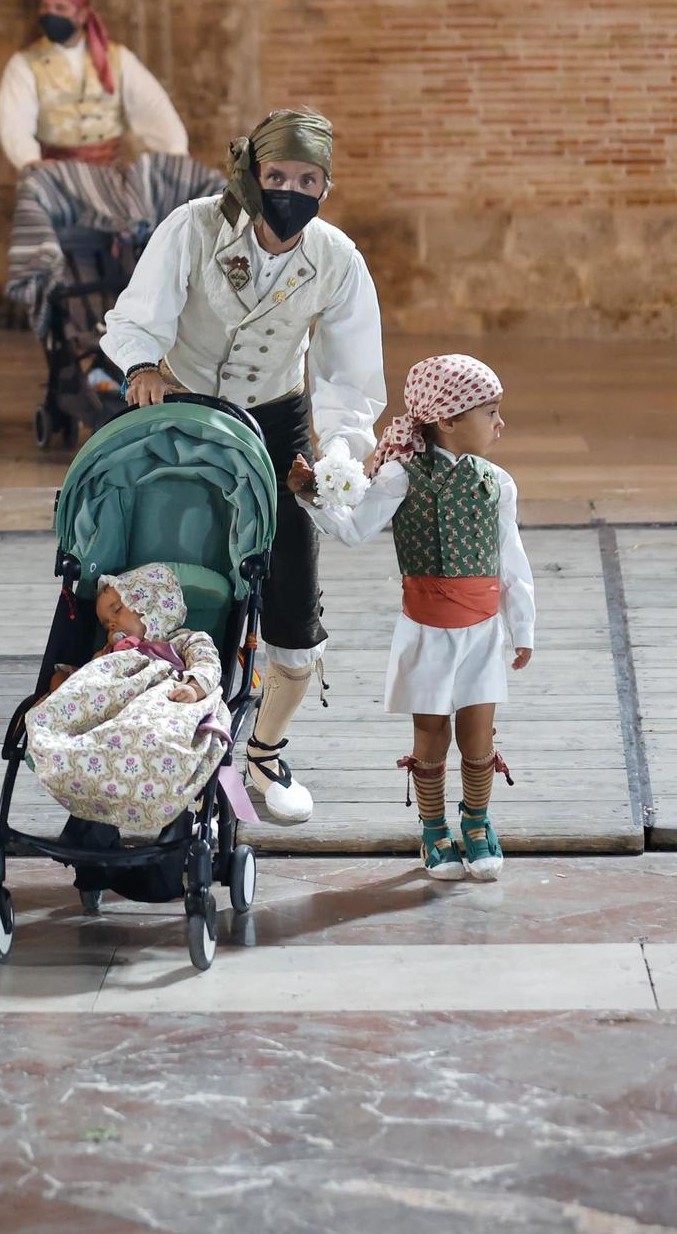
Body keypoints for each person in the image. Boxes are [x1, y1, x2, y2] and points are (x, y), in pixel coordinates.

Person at [99, 107, 387, 826]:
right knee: (169, 571)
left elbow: (352, 378)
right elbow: (142, 311)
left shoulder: (337, 258)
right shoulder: (194, 226)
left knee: (292, 591)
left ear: (326, 185)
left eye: (307, 179)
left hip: (276, 420)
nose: (290, 190)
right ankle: (150, 722)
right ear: (255, 174)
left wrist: (339, 457)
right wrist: (140, 365)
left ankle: (264, 752)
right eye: (277, 175)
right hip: (184, 408)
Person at [293, 355, 534, 882]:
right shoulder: (402, 476)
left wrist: (523, 628)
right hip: (427, 629)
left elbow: (512, 561)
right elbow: (355, 530)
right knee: (431, 734)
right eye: (489, 412)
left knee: (479, 733)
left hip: (483, 632)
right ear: (447, 420)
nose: (500, 423)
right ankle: (432, 829)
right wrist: (314, 497)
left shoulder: (498, 484)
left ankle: (476, 822)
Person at [27, 563, 231, 834]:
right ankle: (91, 816)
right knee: (81, 718)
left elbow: (208, 664)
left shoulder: (182, 641)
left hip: (160, 701)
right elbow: (94, 684)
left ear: (150, 606)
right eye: (104, 622)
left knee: (150, 730)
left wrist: (194, 688)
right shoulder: (109, 653)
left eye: (117, 611)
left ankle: (168, 819)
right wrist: (69, 682)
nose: (110, 623)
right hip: (111, 710)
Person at [0, 0, 188, 172]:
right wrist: (29, 160)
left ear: (82, 15)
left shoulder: (118, 58)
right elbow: (14, 121)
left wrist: (175, 151)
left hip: (112, 175)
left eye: (60, 8)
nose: (50, 14)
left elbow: (152, 106)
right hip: (54, 177)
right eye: (45, 7)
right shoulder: (24, 63)